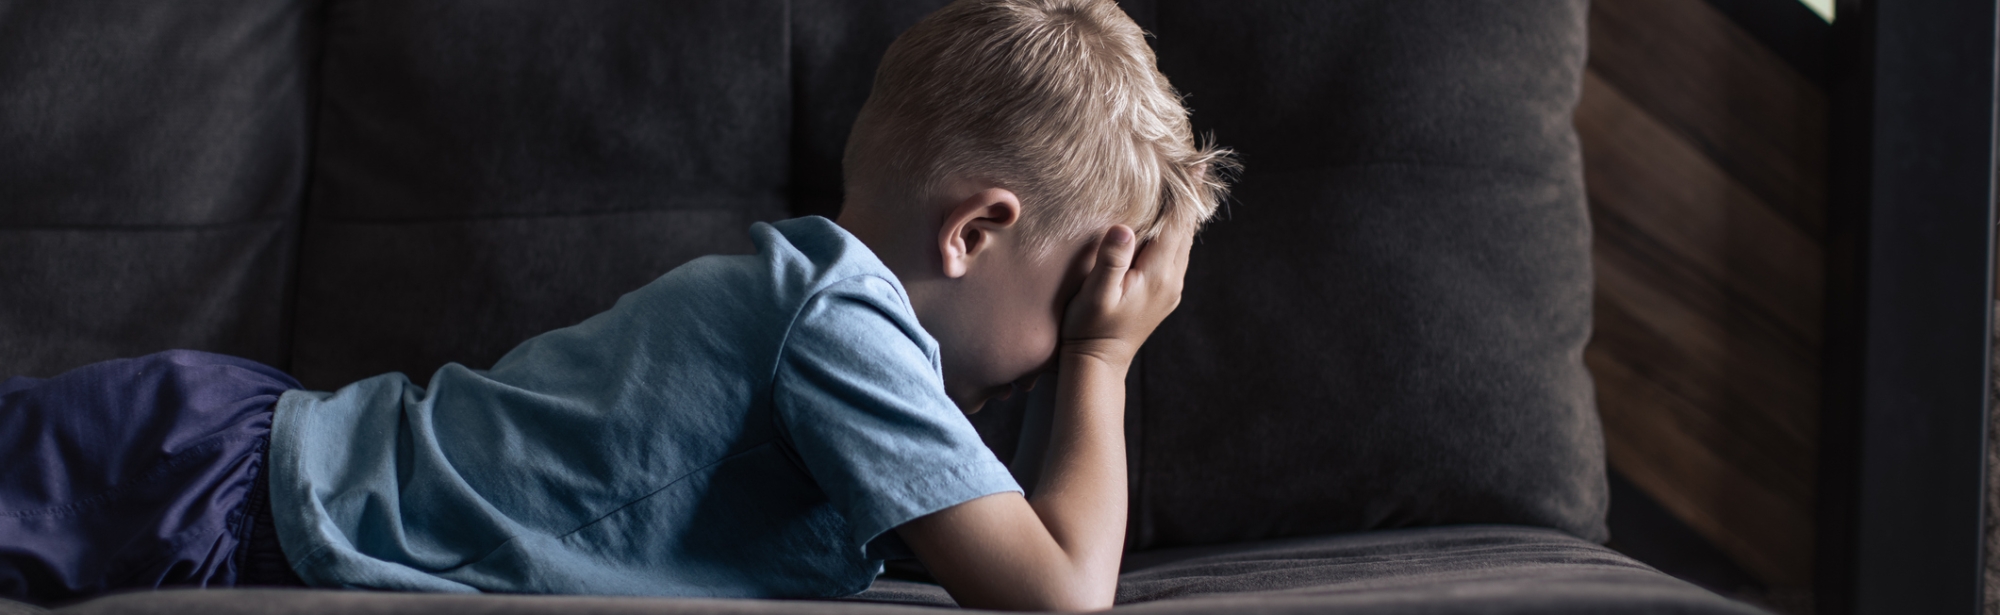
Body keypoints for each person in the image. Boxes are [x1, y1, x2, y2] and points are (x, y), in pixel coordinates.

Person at [0, 0, 1234, 610]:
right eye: (1077, 295)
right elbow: (1061, 591)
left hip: (241, 459)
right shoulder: (844, 324)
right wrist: (1104, 363)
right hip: (208, 479)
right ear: (975, 232)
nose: (1065, 343)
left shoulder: (835, 323)